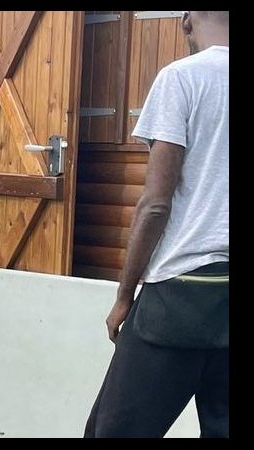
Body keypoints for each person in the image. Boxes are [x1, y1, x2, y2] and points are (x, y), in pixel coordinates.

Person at [84, 11, 228, 438]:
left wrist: (125, 296)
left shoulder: (182, 78)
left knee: (113, 430)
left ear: (186, 20)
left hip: (181, 296)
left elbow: (155, 205)